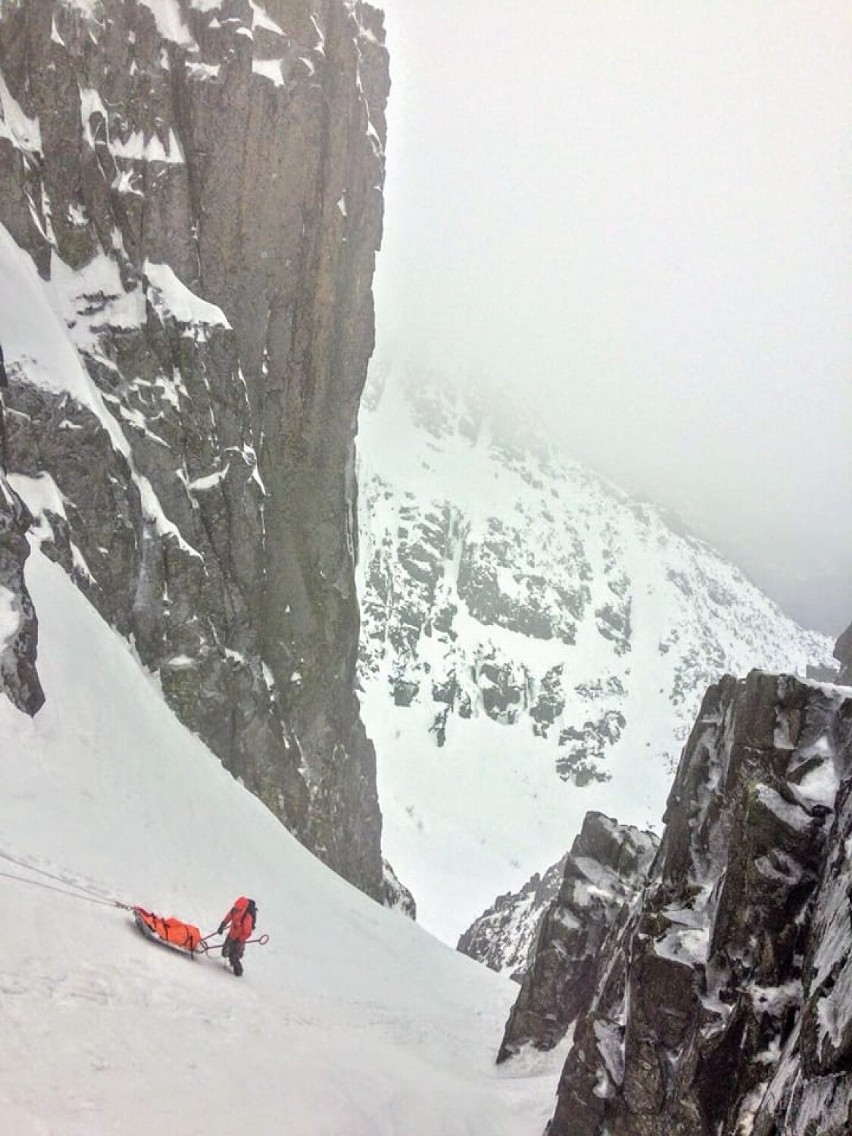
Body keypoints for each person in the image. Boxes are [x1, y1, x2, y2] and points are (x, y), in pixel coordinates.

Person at [217, 896, 257, 977]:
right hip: (231, 935)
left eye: (238, 909)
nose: (236, 910)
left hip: (239, 940)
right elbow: (228, 917)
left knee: (234, 957)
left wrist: (239, 939)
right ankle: (230, 956)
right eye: (236, 907)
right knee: (224, 952)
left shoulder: (247, 918)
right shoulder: (234, 910)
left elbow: (248, 933)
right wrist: (222, 925)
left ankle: (238, 971)